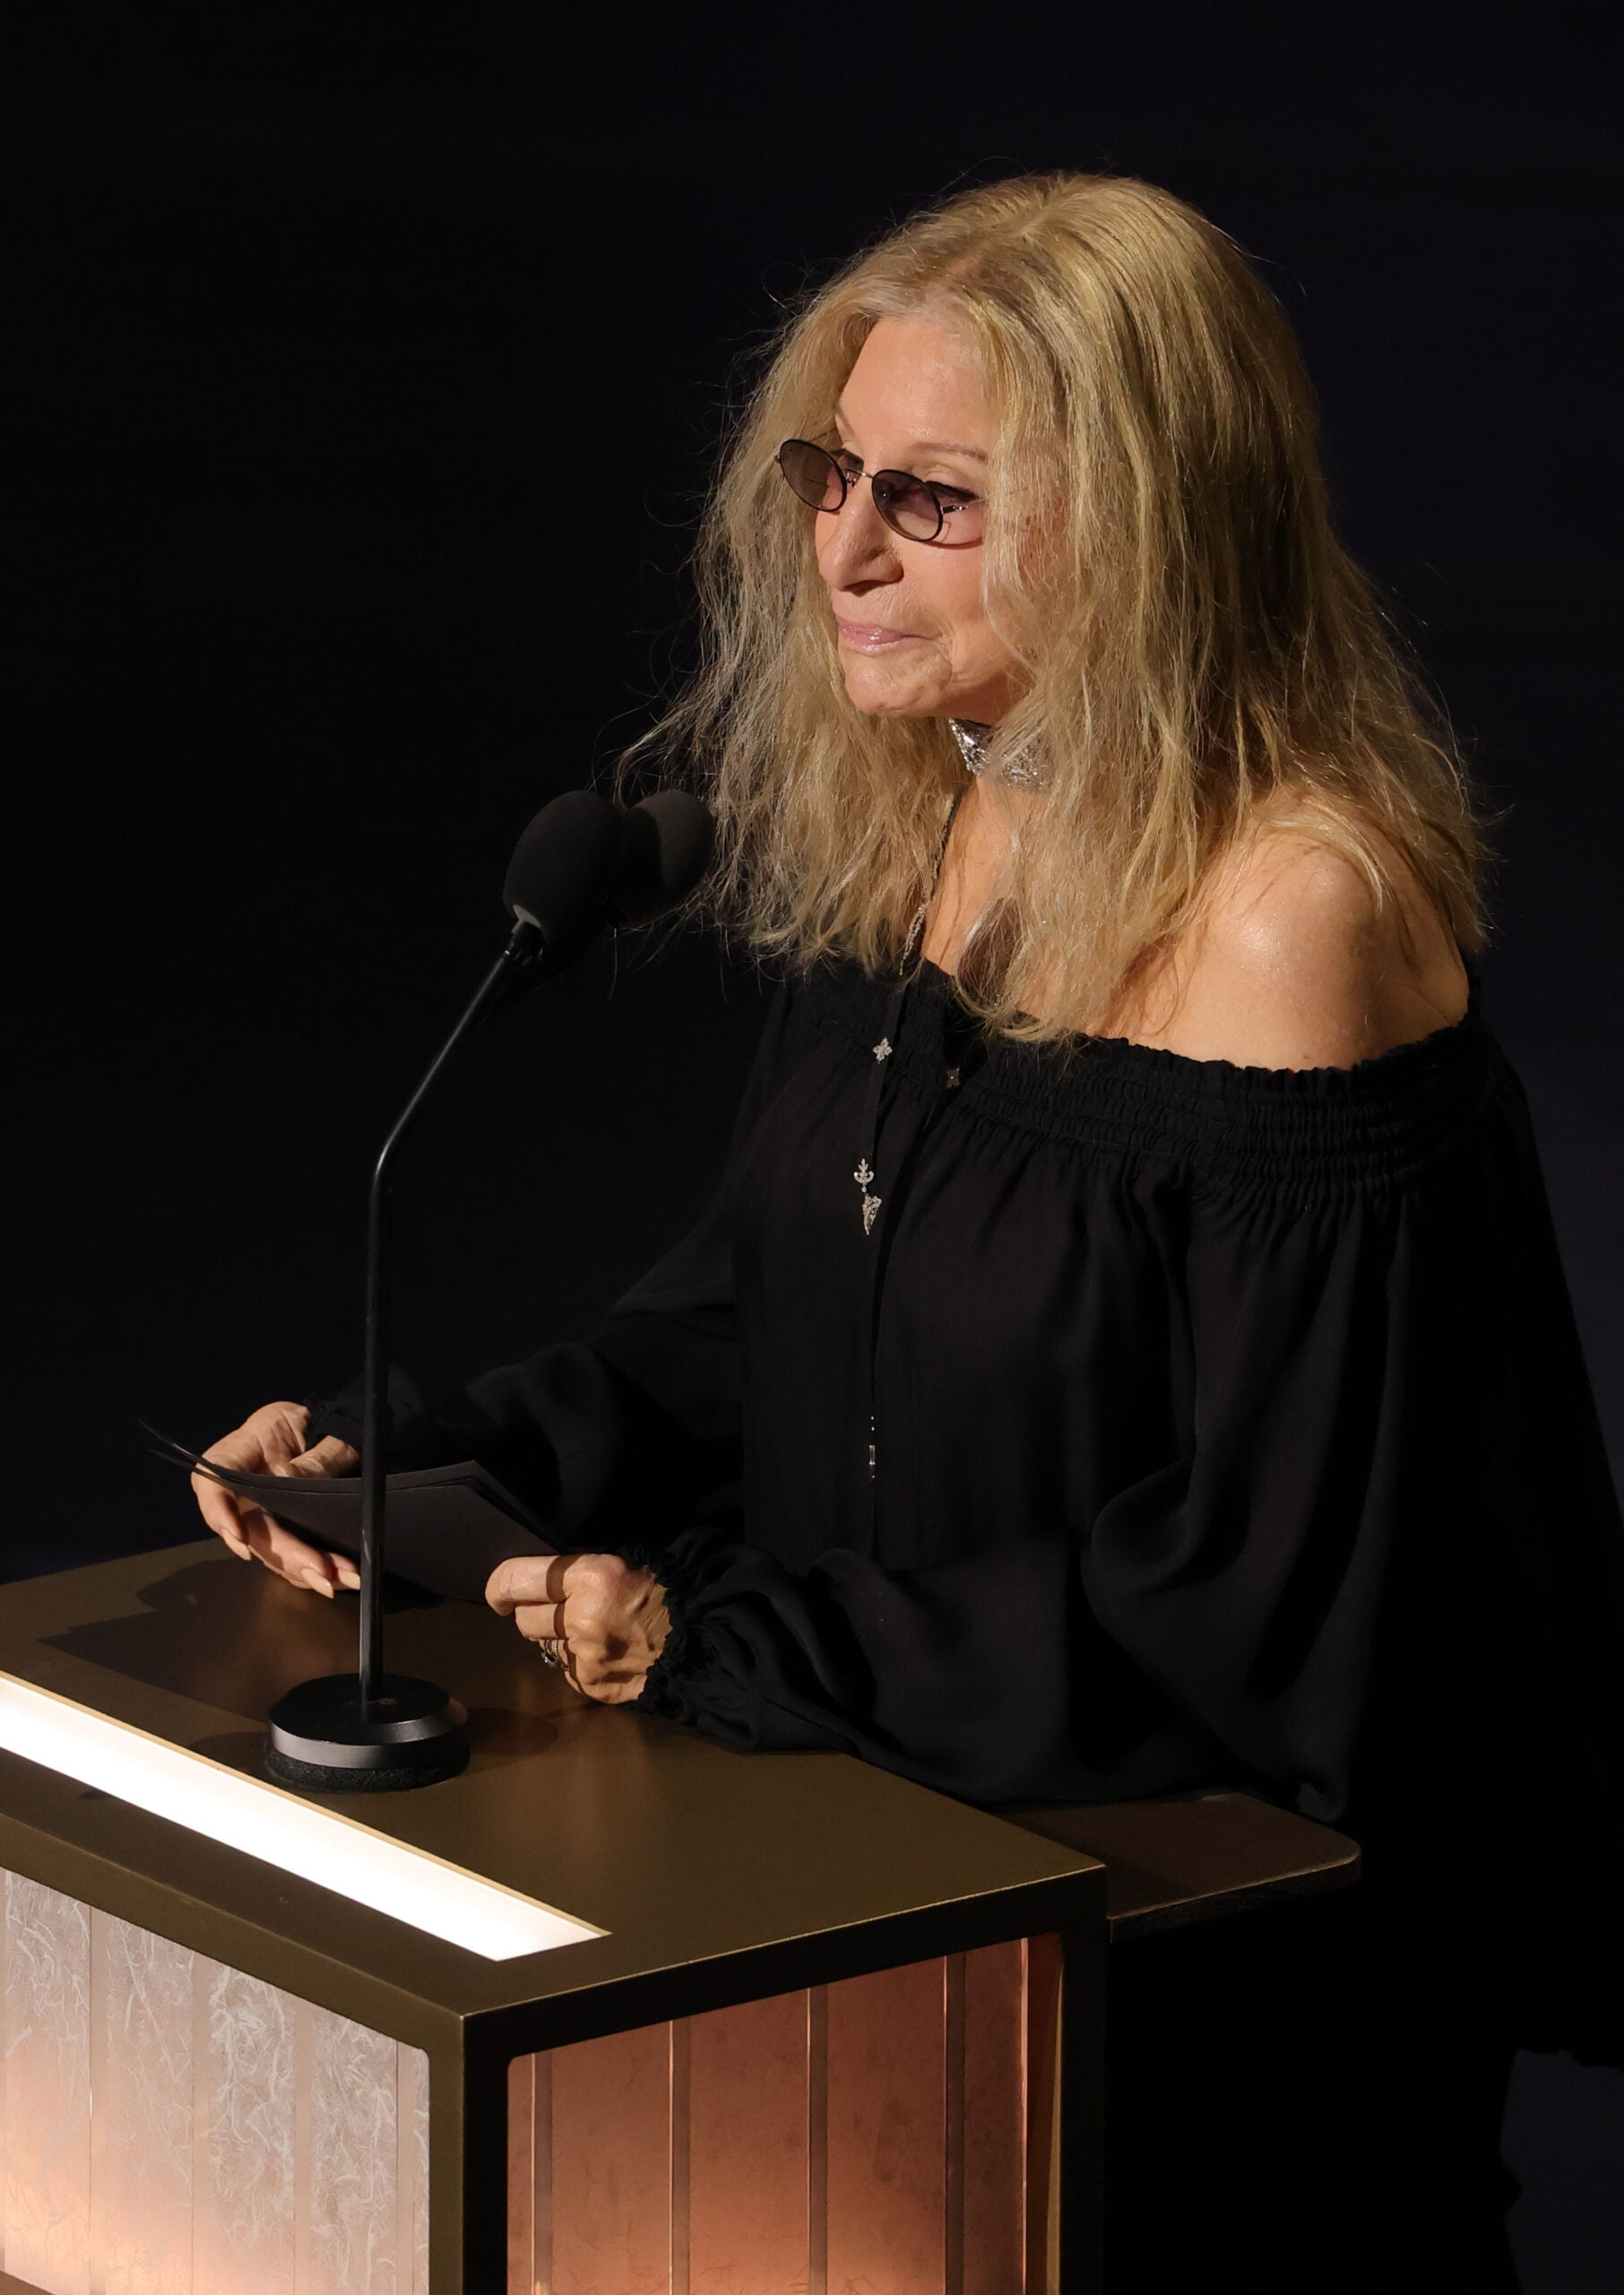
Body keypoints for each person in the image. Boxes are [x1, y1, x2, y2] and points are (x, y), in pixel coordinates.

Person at [194, 175, 1622, 2288]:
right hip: (895, 1884)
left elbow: (1255, 1590)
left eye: (931, 497)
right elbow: (753, 1333)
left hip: (1202, 2015)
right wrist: (408, 1465)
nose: (841, 547)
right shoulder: (958, 810)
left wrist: (724, 1643)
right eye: (833, 472)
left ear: (1146, 515)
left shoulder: (1297, 915)